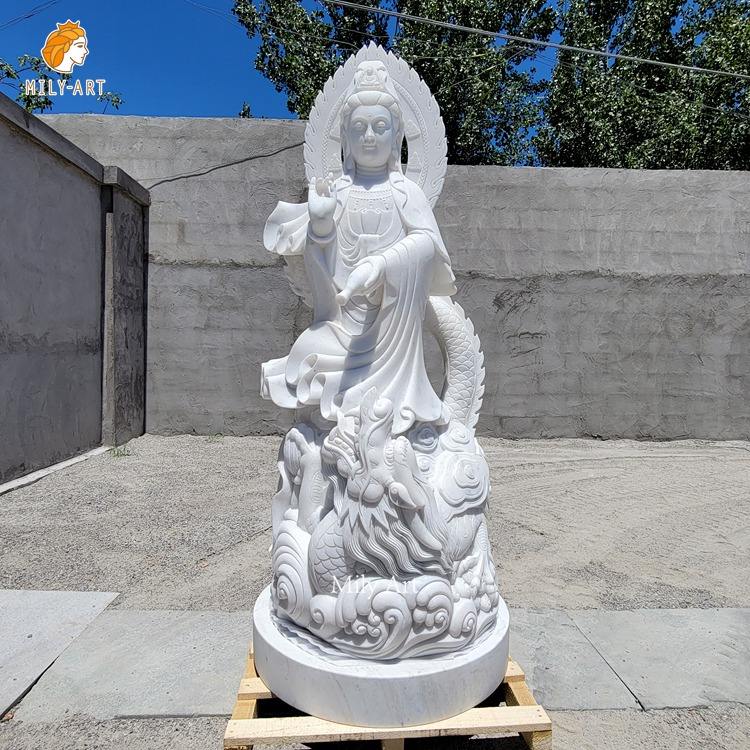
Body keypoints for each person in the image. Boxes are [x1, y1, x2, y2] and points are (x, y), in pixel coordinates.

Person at [261, 61, 456, 435]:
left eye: (380, 127)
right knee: (306, 352)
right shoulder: (337, 193)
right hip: (343, 329)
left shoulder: (407, 193)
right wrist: (320, 226)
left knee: (419, 249)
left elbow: (428, 248)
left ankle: (391, 416)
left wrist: (382, 265)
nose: (369, 136)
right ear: (345, 138)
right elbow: (320, 272)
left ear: (396, 136)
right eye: (359, 127)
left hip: (393, 336)